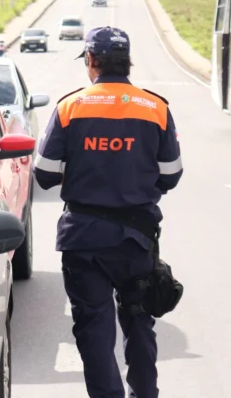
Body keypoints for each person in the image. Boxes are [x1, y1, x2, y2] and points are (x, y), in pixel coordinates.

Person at [32, 26, 183, 398]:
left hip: (83, 238)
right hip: (136, 239)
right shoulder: (156, 108)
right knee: (139, 321)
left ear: (91, 60)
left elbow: (45, 174)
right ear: (126, 61)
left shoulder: (70, 107)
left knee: (94, 330)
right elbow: (171, 175)